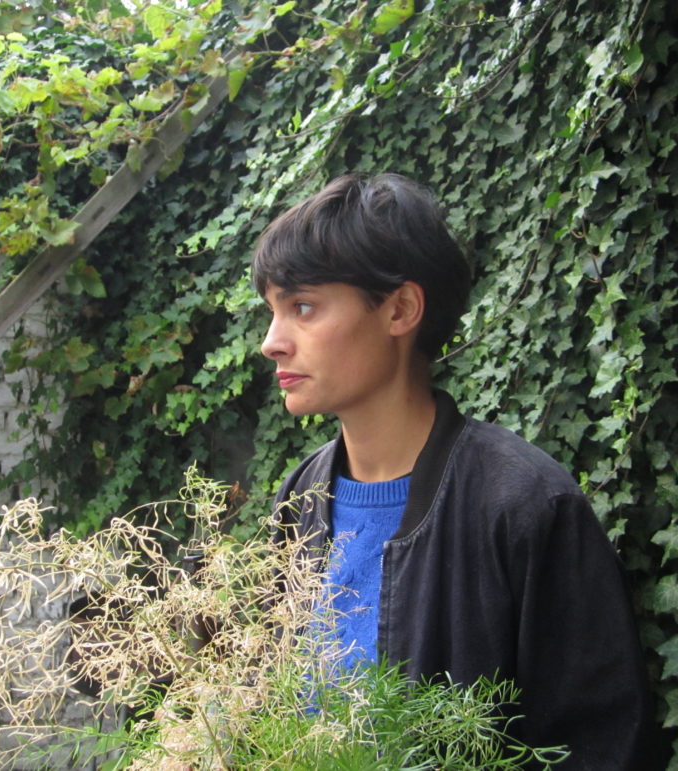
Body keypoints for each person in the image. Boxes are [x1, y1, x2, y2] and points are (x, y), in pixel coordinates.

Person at [251, 172, 653, 768]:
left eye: (302, 307)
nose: (271, 342)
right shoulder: (301, 498)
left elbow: (599, 748)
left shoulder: (523, 505)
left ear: (401, 309)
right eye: (272, 311)